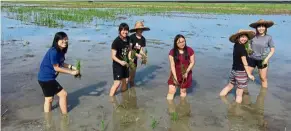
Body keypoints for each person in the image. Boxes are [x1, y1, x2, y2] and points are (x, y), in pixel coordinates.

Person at [38, 32, 79, 114]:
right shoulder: (54, 51)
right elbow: (56, 68)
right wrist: (71, 73)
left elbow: (61, 63)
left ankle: (48, 119)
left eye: (66, 40)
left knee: (49, 99)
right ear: (57, 40)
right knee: (63, 94)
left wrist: (71, 67)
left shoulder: (61, 51)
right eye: (63, 40)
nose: (65, 41)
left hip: (46, 78)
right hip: (46, 78)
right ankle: (65, 116)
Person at [219, 30, 255, 103]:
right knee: (239, 93)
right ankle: (237, 110)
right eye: (242, 37)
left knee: (229, 86)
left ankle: (220, 99)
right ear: (238, 37)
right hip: (241, 72)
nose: (244, 39)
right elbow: (244, 62)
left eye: (245, 37)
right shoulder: (242, 48)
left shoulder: (236, 45)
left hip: (234, 71)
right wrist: (249, 74)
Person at [248, 19, 275, 88]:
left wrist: (266, 59)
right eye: (259, 26)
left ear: (265, 28)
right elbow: (248, 45)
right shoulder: (252, 36)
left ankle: (263, 94)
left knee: (263, 78)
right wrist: (248, 49)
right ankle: (244, 92)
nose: (261, 28)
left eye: (263, 26)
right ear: (256, 28)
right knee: (246, 75)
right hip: (252, 59)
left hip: (263, 60)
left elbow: (272, 50)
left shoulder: (269, 37)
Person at [167, 34, 195, 100]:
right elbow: (172, 65)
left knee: (183, 91)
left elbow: (192, 62)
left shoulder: (190, 50)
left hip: (185, 73)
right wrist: (175, 77)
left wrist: (187, 72)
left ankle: (182, 107)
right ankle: (171, 109)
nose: (182, 43)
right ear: (175, 43)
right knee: (171, 91)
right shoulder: (172, 52)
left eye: (183, 41)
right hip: (175, 73)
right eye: (179, 42)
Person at [109, 23, 131, 96]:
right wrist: (120, 62)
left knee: (126, 80)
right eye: (123, 30)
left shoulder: (128, 39)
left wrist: (130, 58)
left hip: (126, 64)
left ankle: (124, 97)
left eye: (127, 30)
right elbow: (113, 56)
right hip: (118, 65)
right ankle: (111, 99)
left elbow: (130, 50)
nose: (125, 32)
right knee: (117, 83)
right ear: (119, 31)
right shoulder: (116, 42)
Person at [128, 21, 150, 87]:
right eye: (139, 29)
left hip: (135, 58)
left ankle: (131, 88)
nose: (141, 30)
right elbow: (130, 49)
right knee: (128, 74)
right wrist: (136, 54)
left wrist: (144, 56)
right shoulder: (131, 37)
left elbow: (141, 50)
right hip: (128, 56)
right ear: (136, 30)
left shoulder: (143, 39)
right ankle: (125, 89)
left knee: (133, 74)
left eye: (142, 29)